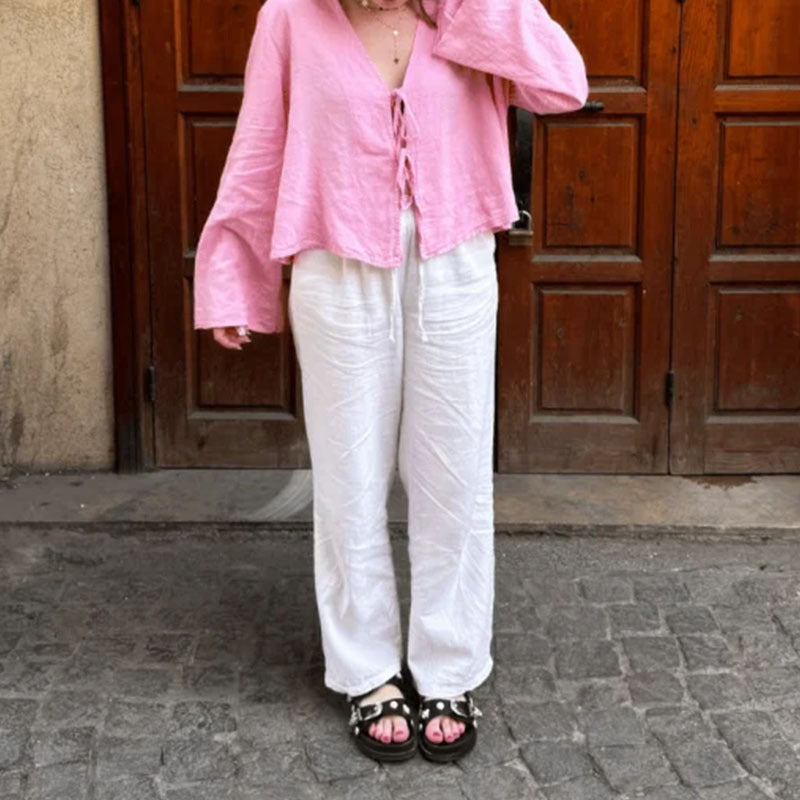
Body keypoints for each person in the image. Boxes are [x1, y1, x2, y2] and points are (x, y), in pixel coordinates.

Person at [193, 0, 588, 763]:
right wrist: (236, 276)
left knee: (454, 474)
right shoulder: (290, 17)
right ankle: (368, 670)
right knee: (349, 477)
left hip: (457, 261)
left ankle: (448, 665)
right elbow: (259, 148)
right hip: (336, 266)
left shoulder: (472, 11)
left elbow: (562, 83)